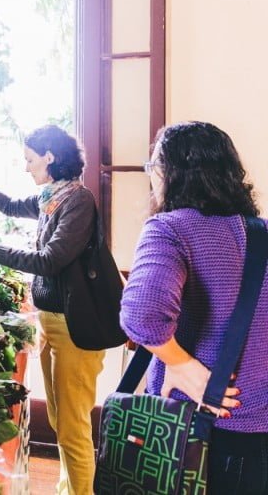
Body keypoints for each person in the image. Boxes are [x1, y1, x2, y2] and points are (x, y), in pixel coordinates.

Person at [0, 125, 104, 495]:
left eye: (30, 160)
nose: (26, 167)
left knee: (72, 427)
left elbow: (52, 260)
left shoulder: (78, 201)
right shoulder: (52, 196)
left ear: (50, 157)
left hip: (76, 327)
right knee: (59, 420)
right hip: (53, 323)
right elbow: (8, 206)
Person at [120, 121, 266, 494]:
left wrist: (181, 365)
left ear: (168, 173)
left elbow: (141, 315)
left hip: (189, 432)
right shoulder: (263, 232)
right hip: (258, 435)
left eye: (152, 166)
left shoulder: (169, 228)